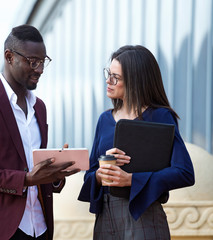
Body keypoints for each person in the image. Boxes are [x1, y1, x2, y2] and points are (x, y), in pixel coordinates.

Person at [0, 24, 80, 240]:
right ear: (9, 56)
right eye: (33, 61)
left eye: (43, 61)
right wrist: (24, 179)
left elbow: (34, 170)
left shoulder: (39, 107)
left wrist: (55, 175)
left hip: (39, 227)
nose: (40, 69)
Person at [78, 45, 195, 239]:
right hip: (105, 218)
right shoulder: (104, 120)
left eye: (115, 77)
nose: (108, 81)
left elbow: (184, 173)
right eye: (108, 73)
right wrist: (100, 174)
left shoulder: (160, 116)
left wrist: (131, 180)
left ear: (135, 81)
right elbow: (90, 174)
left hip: (143, 215)